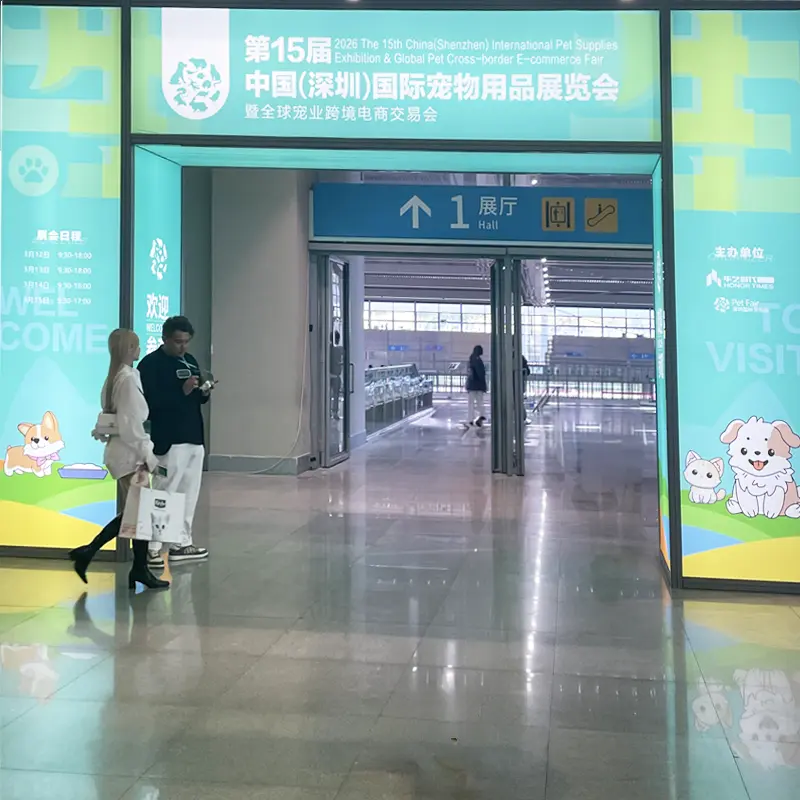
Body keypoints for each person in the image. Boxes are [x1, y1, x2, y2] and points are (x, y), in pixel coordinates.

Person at [69, 329, 169, 591]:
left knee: (136, 513)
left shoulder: (113, 378)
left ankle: (105, 557)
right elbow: (132, 425)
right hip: (131, 457)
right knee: (140, 513)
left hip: (121, 453)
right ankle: (122, 563)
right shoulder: (127, 379)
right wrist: (149, 456)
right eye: (136, 346)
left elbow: (114, 420)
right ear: (129, 349)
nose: (139, 350)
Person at [138, 316, 211, 567]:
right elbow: (151, 404)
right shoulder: (151, 365)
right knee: (164, 492)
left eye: (187, 342)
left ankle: (182, 542)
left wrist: (203, 392)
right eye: (178, 341)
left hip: (193, 436)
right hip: (168, 439)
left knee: (189, 493)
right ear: (165, 338)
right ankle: (153, 547)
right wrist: (182, 391)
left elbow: (196, 398)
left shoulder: (189, 361)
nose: (183, 347)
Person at [466, 344, 488, 427]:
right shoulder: (478, 360)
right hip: (478, 385)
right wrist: (484, 385)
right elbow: (481, 374)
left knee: (471, 403)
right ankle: (481, 415)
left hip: (472, 385)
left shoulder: (471, 359)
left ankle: (470, 419)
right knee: (480, 402)